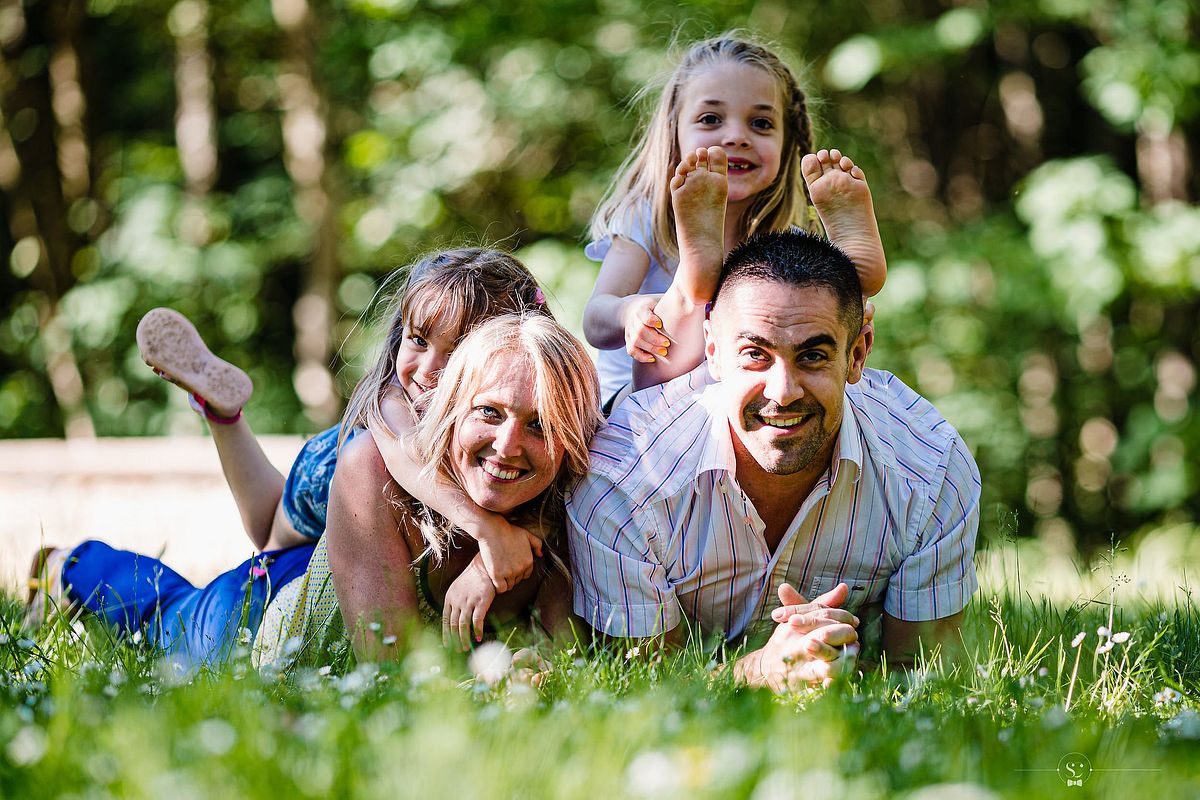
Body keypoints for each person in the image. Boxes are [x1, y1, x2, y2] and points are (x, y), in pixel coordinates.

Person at [26, 313, 601, 669]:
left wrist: (530, 663)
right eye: (489, 412)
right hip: (259, 617)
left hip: (329, 555)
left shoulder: (565, 508)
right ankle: (68, 566)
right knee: (169, 615)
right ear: (452, 404)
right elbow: (392, 676)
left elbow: (561, 659)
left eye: (540, 425)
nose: (508, 444)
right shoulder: (379, 451)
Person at [567, 225, 980, 692]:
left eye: (813, 356)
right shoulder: (625, 481)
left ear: (857, 354)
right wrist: (759, 671)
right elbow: (645, 685)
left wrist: (835, 666)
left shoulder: (930, 470)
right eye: (755, 354)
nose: (783, 392)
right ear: (712, 351)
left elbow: (924, 678)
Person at [583, 34, 887, 410]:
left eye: (760, 123)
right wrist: (629, 313)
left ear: (787, 144)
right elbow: (595, 321)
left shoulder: (784, 242)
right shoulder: (646, 216)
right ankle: (691, 286)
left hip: (743, 398)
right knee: (680, 314)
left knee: (815, 318)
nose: (737, 137)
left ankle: (848, 286)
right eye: (711, 119)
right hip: (641, 403)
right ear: (673, 132)